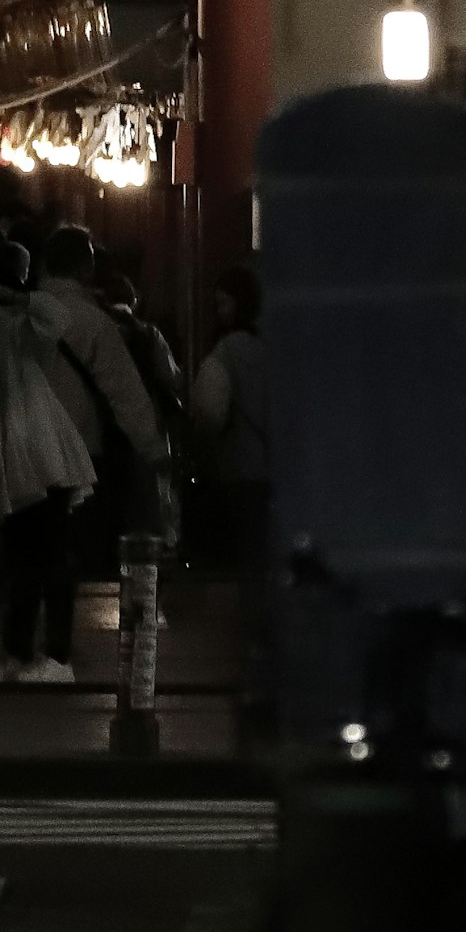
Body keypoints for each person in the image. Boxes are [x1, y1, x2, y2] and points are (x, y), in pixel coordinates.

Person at [0, 239, 99, 682]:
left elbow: (58, 317)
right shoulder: (2, 326)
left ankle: (52, 656)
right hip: (34, 456)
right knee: (32, 562)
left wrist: (12, 297)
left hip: (34, 458)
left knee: (42, 561)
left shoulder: (15, 323)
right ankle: (28, 654)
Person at [32, 226, 176, 559]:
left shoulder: (21, 315)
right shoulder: (95, 322)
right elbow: (124, 393)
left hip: (25, 452)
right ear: (86, 267)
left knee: (33, 560)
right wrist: (154, 450)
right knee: (83, 552)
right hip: (82, 450)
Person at [190, 267, 274, 720]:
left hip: (245, 470)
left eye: (224, 302)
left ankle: (254, 650)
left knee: (252, 563)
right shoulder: (293, 345)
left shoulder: (228, 352)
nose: (219, 311)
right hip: (289, 472)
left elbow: (208, 410)